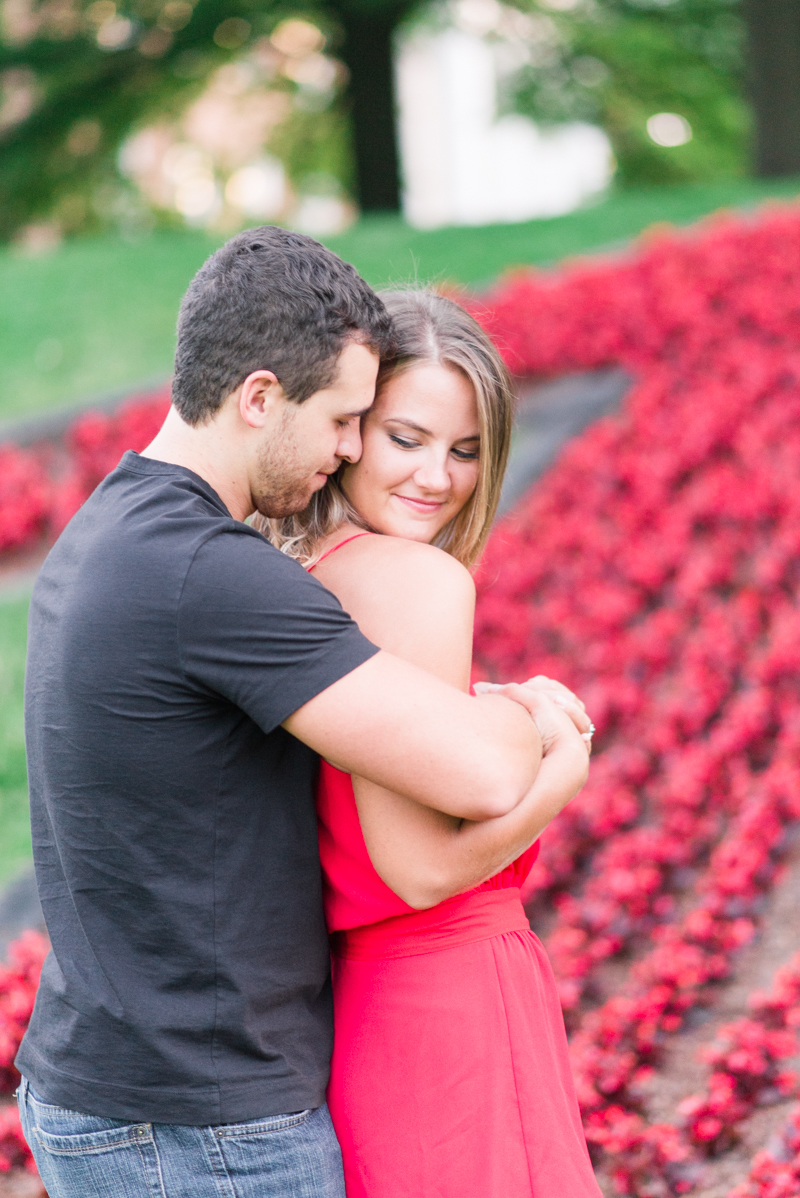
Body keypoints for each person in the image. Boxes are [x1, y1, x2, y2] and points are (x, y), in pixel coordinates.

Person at [16, 229, 587, 1198]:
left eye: (458, 448)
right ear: (258, 398)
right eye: (350, 422)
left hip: (136, 1083)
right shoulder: (219, 573)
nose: (350, 448)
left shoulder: (120, 526)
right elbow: (477, 781)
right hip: (202, 1114)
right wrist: (552, 733)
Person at [263, 289, 601, 1198]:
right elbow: (416, 871)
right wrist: (559, 776)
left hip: (367, 1017)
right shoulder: (417, 581)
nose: (437, 478)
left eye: (464, 450)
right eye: (405, 438)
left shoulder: (306, 574)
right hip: (452, 1005)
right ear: (348, 432)